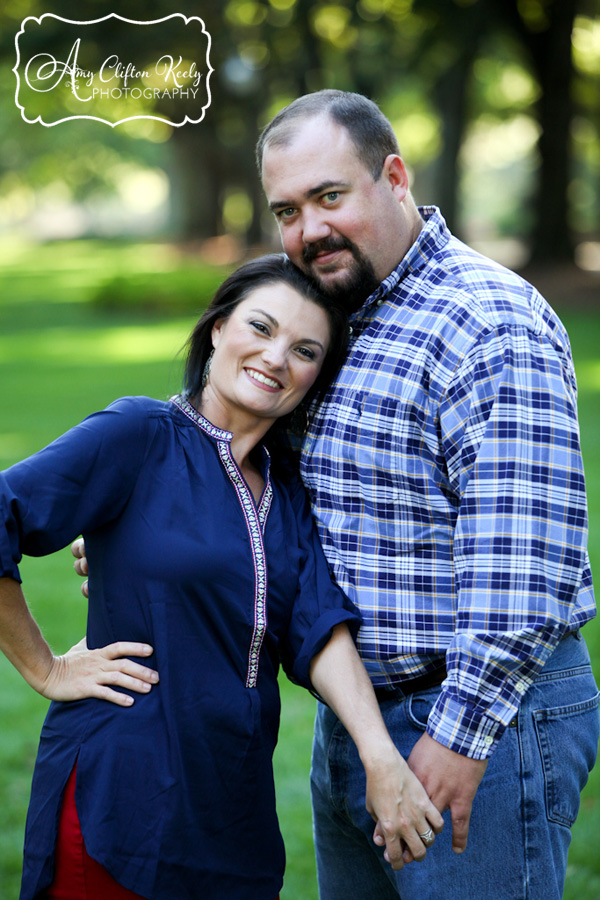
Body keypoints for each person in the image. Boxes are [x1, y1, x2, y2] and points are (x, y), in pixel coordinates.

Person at [0, 254, 443, 900]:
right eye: (259, 328)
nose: (275, 357)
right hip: (121, 798)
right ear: (216, 329)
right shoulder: (140, 434)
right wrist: (46, 669)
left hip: (231, 812)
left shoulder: (288, 490)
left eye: (304, 349)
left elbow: (320, 628)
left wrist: (381, 758)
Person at [251, 91, 599, 900]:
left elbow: (524, 563)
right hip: (361, 720)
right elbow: (292, 494)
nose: (309, 231)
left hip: (482, 717)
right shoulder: (333, 320)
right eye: (287, 210)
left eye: (329, 196)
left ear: (395, 176)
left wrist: (458, 739)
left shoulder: (486, 320)